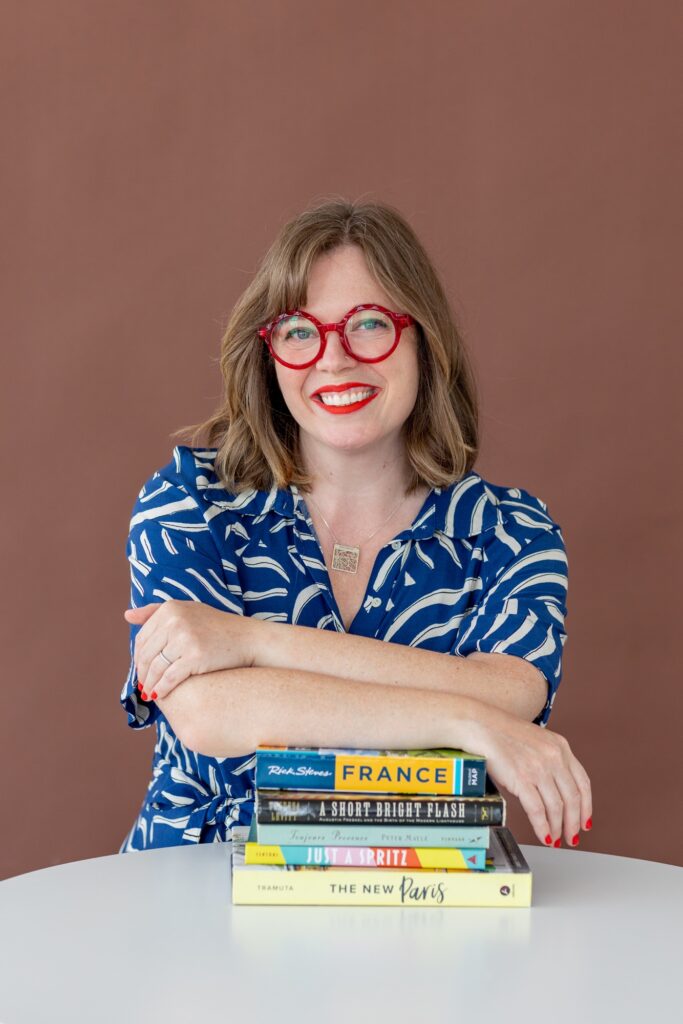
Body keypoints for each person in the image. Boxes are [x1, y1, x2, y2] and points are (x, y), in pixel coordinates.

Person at [119, 198, 592, 853]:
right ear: (270, 352)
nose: (333, 360)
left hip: (420, 893)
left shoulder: (510, 531)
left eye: (368, 323)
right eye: (297, 330)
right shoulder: (192, 500)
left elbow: (509, 698)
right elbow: (205, 713)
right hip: (200, 885)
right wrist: (461, 715)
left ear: (424, 337)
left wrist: (253, 642)